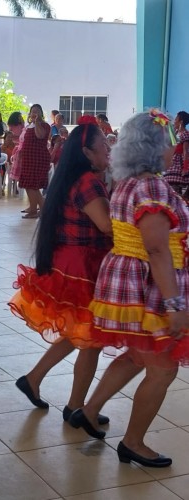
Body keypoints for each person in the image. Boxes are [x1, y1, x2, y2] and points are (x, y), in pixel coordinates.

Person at [69, 111, 189, 468]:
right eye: (170, 140)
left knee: (138, 355)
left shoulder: (127, 182)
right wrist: (175, 303)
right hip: (150, 285)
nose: (175, 147)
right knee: (163, 368)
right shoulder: (152, 187)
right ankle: (133, 442)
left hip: (129, 280)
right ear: (154, 147)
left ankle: (89, 410)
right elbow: (156, 249)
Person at [9, 116, 113, 426]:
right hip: (83, 265)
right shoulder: (88, 182)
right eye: (104, 145)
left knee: (77, 332)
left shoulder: (73, 177)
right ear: (87, 153)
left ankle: (33, 379)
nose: (109, 150)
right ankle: (75, 407)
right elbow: (106, 225)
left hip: (72, 261)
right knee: (92, 340)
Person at [15, 104, 51, 218]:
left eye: (37, 111)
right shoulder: (28, 126)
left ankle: (34, 211)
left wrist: (37, 122)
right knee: (29, 184)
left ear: (41, 113)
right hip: (28, 158)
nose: (34, 113)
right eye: (32, 111)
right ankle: (41, 209)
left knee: (32, 185)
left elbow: (40, 135)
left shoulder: (44, 125)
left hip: (38, 158)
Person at [164, 110, 189, 196]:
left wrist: (185, 168)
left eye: (176, 119)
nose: (174, 121)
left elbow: (186, 151)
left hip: (179, 164)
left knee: (175, 189)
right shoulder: (175, 133)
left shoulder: (185, 134)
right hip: (172, 163)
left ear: (181, 121)